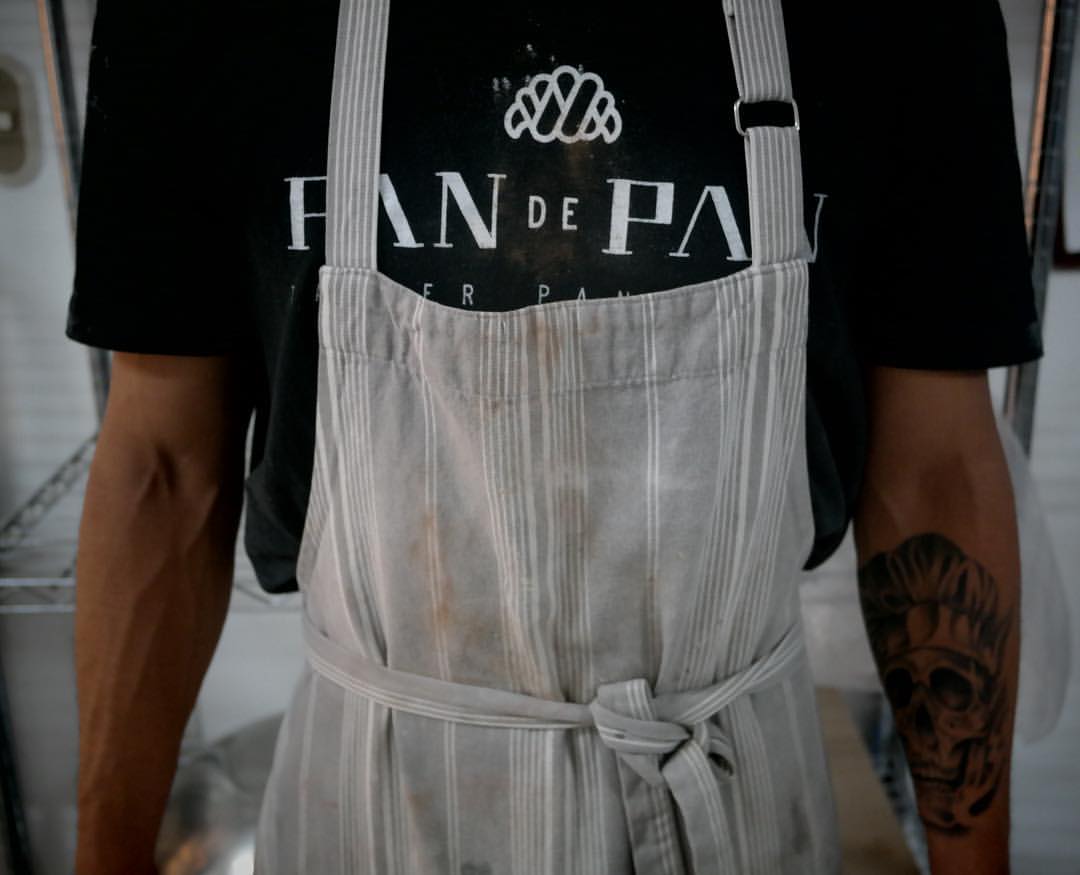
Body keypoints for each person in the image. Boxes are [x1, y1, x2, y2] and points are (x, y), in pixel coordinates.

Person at [66, 0, 1041, 872]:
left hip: (733, 795)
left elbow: (938, 471)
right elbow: (163, 471)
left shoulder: (909, 18)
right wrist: (106, 853)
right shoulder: (191, 16)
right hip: (376, 805)